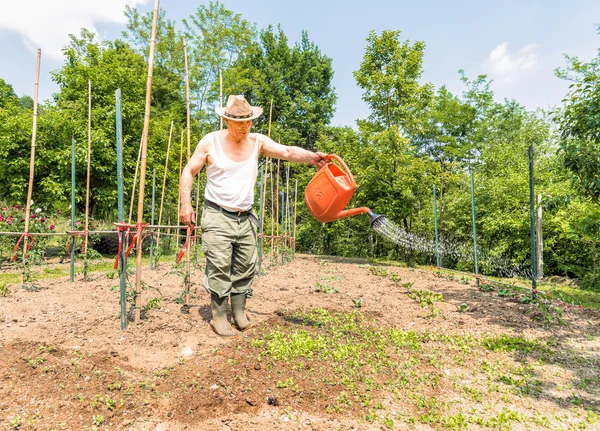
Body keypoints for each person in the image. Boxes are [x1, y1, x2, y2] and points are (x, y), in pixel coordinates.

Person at [179, 95, 329, 337]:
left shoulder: (257, 142)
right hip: (217, 215)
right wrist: (186, 203)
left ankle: (239, 314)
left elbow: (287, 151)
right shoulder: (211, 142)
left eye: (248, 121)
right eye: (240, 122)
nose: (245, 126)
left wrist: (312, 157)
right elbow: (189, 170)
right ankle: (219, 317)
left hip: (246, 217)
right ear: (227, 121)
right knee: (218, 266)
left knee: (245, 266)